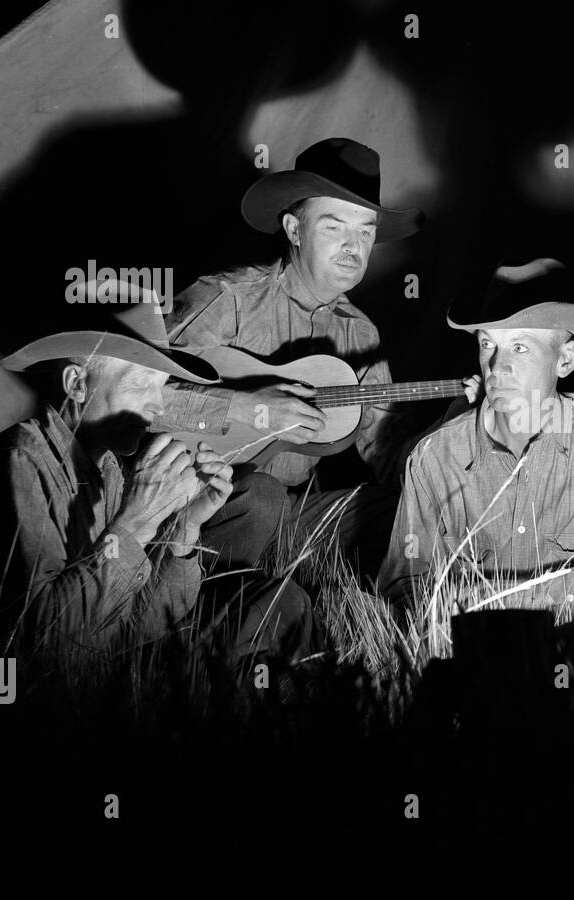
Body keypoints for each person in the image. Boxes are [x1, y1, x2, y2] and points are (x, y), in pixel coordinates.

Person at [0, 300, 315, 666]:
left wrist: (184, 530)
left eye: (161, 386)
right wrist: (136, 522)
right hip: (38, 693)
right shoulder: (18, 463)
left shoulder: (110, 469)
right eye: (138, 384)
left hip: (104, 662)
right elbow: (43, 646)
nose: (159, 407)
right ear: (77, 384)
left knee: (277, 597)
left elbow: (134, 628)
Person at [158, 137, 470, 576]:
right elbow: (135, 400)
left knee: (406, 509)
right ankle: (192, 602)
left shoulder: (360, 333)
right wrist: (250, 407)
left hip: (292, 516)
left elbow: (387, 448)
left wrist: (452, 429)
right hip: (193, 503)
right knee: (261, 495)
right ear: (293, 230)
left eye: (365, 231)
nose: (353, 246)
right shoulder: (226, 299)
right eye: (334, 226)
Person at [379, 258, 574, 613]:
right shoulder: (436, 457)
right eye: (488, 344)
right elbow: (402, 585)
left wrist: (522, 601)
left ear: (565, 360)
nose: (497, 367)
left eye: (520, 347)